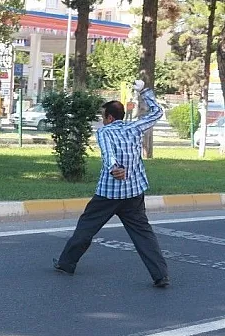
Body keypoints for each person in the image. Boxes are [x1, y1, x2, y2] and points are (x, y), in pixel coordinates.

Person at [52, 80, 170, 288]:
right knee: (143, 234)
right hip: (134, 193)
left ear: (109, 117)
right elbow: (157, 112)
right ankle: (160, 275)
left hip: (109, 194)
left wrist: (114, 168)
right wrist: (143, 91)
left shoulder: (105, 132)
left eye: (103, 116)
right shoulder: (135, 127)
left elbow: (108, 153)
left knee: (86, 227)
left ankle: (66, 263)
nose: (102, 120)